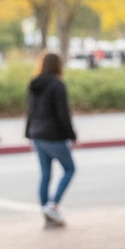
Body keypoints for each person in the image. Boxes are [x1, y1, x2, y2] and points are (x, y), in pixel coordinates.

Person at [25, 51, 77, 226]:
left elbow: (30, 111)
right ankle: (53, 206)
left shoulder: (33, 84)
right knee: (70, 169)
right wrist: (71, 135)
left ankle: (46, 213)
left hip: (37, 135)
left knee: (45, 174)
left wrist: (28, 132)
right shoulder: (57, 85)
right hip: (53, 135)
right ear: (58, 65)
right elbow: (63, 114)